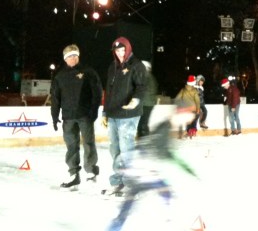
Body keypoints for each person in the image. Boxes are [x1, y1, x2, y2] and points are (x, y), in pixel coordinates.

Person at [106, 101, 200, 231]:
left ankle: (116, 226)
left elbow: (164, 151)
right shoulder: (165, 127)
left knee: (137, 200)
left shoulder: (167, 126)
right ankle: (168, 221)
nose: (190, 119)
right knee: (163, 193)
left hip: (143, 169)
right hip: (142, 170)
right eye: (189, 115)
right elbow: (152, 147)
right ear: (181, 113)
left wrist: (186, 168)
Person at [50, 44, 103, 188]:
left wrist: (93, 111)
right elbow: (55, 98)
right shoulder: (60, 76)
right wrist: (54, 116)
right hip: (68, 118)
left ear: (78, 56)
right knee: (71, 146)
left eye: (75, 55)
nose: (73, 58)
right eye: (69, 56)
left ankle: (91, 171)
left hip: (85, 115)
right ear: (65, 59)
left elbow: (97, 92)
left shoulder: (88, 72)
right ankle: (74, 174)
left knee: (88, 143)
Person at [102, 37, 147, 197]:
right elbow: (108, 91)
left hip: (129, 114)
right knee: (115, 148)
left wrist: (135, 101)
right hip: (113, 114)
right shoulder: (112, 67)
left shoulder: (137, 65)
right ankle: (119, 181)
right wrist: (105, 112)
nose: (121, 54)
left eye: (123, 50)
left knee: (126, 148)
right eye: (117, 51)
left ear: (128, 49)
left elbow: (142, 87)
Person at [137, 60, 158, 138]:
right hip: (149, 103)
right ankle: (144, 136)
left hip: (145, 103)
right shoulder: (151, 77)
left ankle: (143, 136)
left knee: (142, 122)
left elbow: (143, 90)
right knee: (144, 121)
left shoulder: (145, 77)